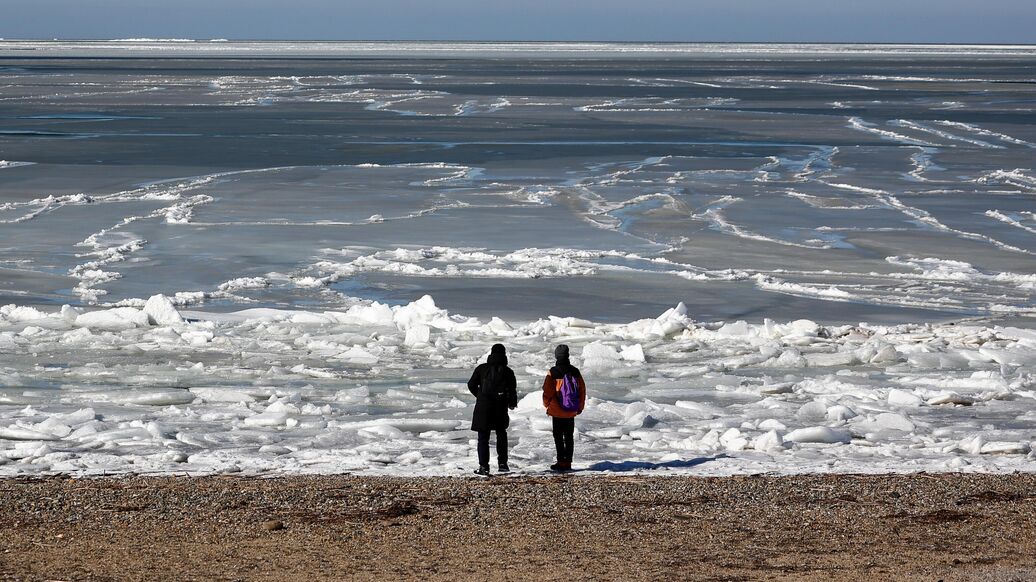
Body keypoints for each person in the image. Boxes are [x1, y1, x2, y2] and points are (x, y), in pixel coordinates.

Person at [467, 343, 518, 475]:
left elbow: (471, 384)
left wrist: (479, 395)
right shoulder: (508, 371)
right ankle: (503, 464)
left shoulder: (481, 369)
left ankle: (484, 467)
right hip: (500, 407)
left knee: (483, 437)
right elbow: (512, 390)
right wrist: (511, 403)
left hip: (483, 407)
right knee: (501, 435)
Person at [541, 344, 586, 472]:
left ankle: (561, 462)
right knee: (569, 437)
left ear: (556, 356)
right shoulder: (575, 372)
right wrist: (580, 407)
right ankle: (568, 462)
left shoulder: (553, 372)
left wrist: (546, 404)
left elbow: (547, 391)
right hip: (571, 410)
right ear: (568, 355)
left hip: (557, 411)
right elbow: (582, 390)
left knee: (558, 436)